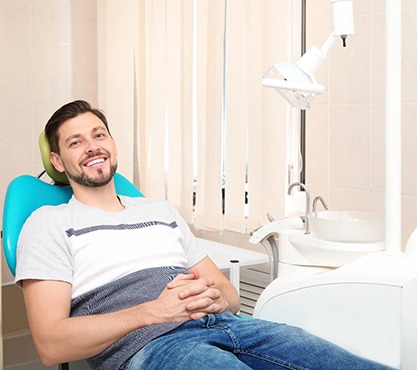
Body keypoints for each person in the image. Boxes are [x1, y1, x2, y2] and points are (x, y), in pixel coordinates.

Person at [15, 100, 394, 370]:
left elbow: (228, 297)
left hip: (232, 327)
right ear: (58, 162)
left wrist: (215, 296)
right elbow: (51, 344)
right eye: (75, 141)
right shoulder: (47, 223)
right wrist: (153, 312)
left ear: (113, 145)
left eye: (99, 134)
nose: (92, 146)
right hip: (152, 347)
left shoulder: (159, 210)